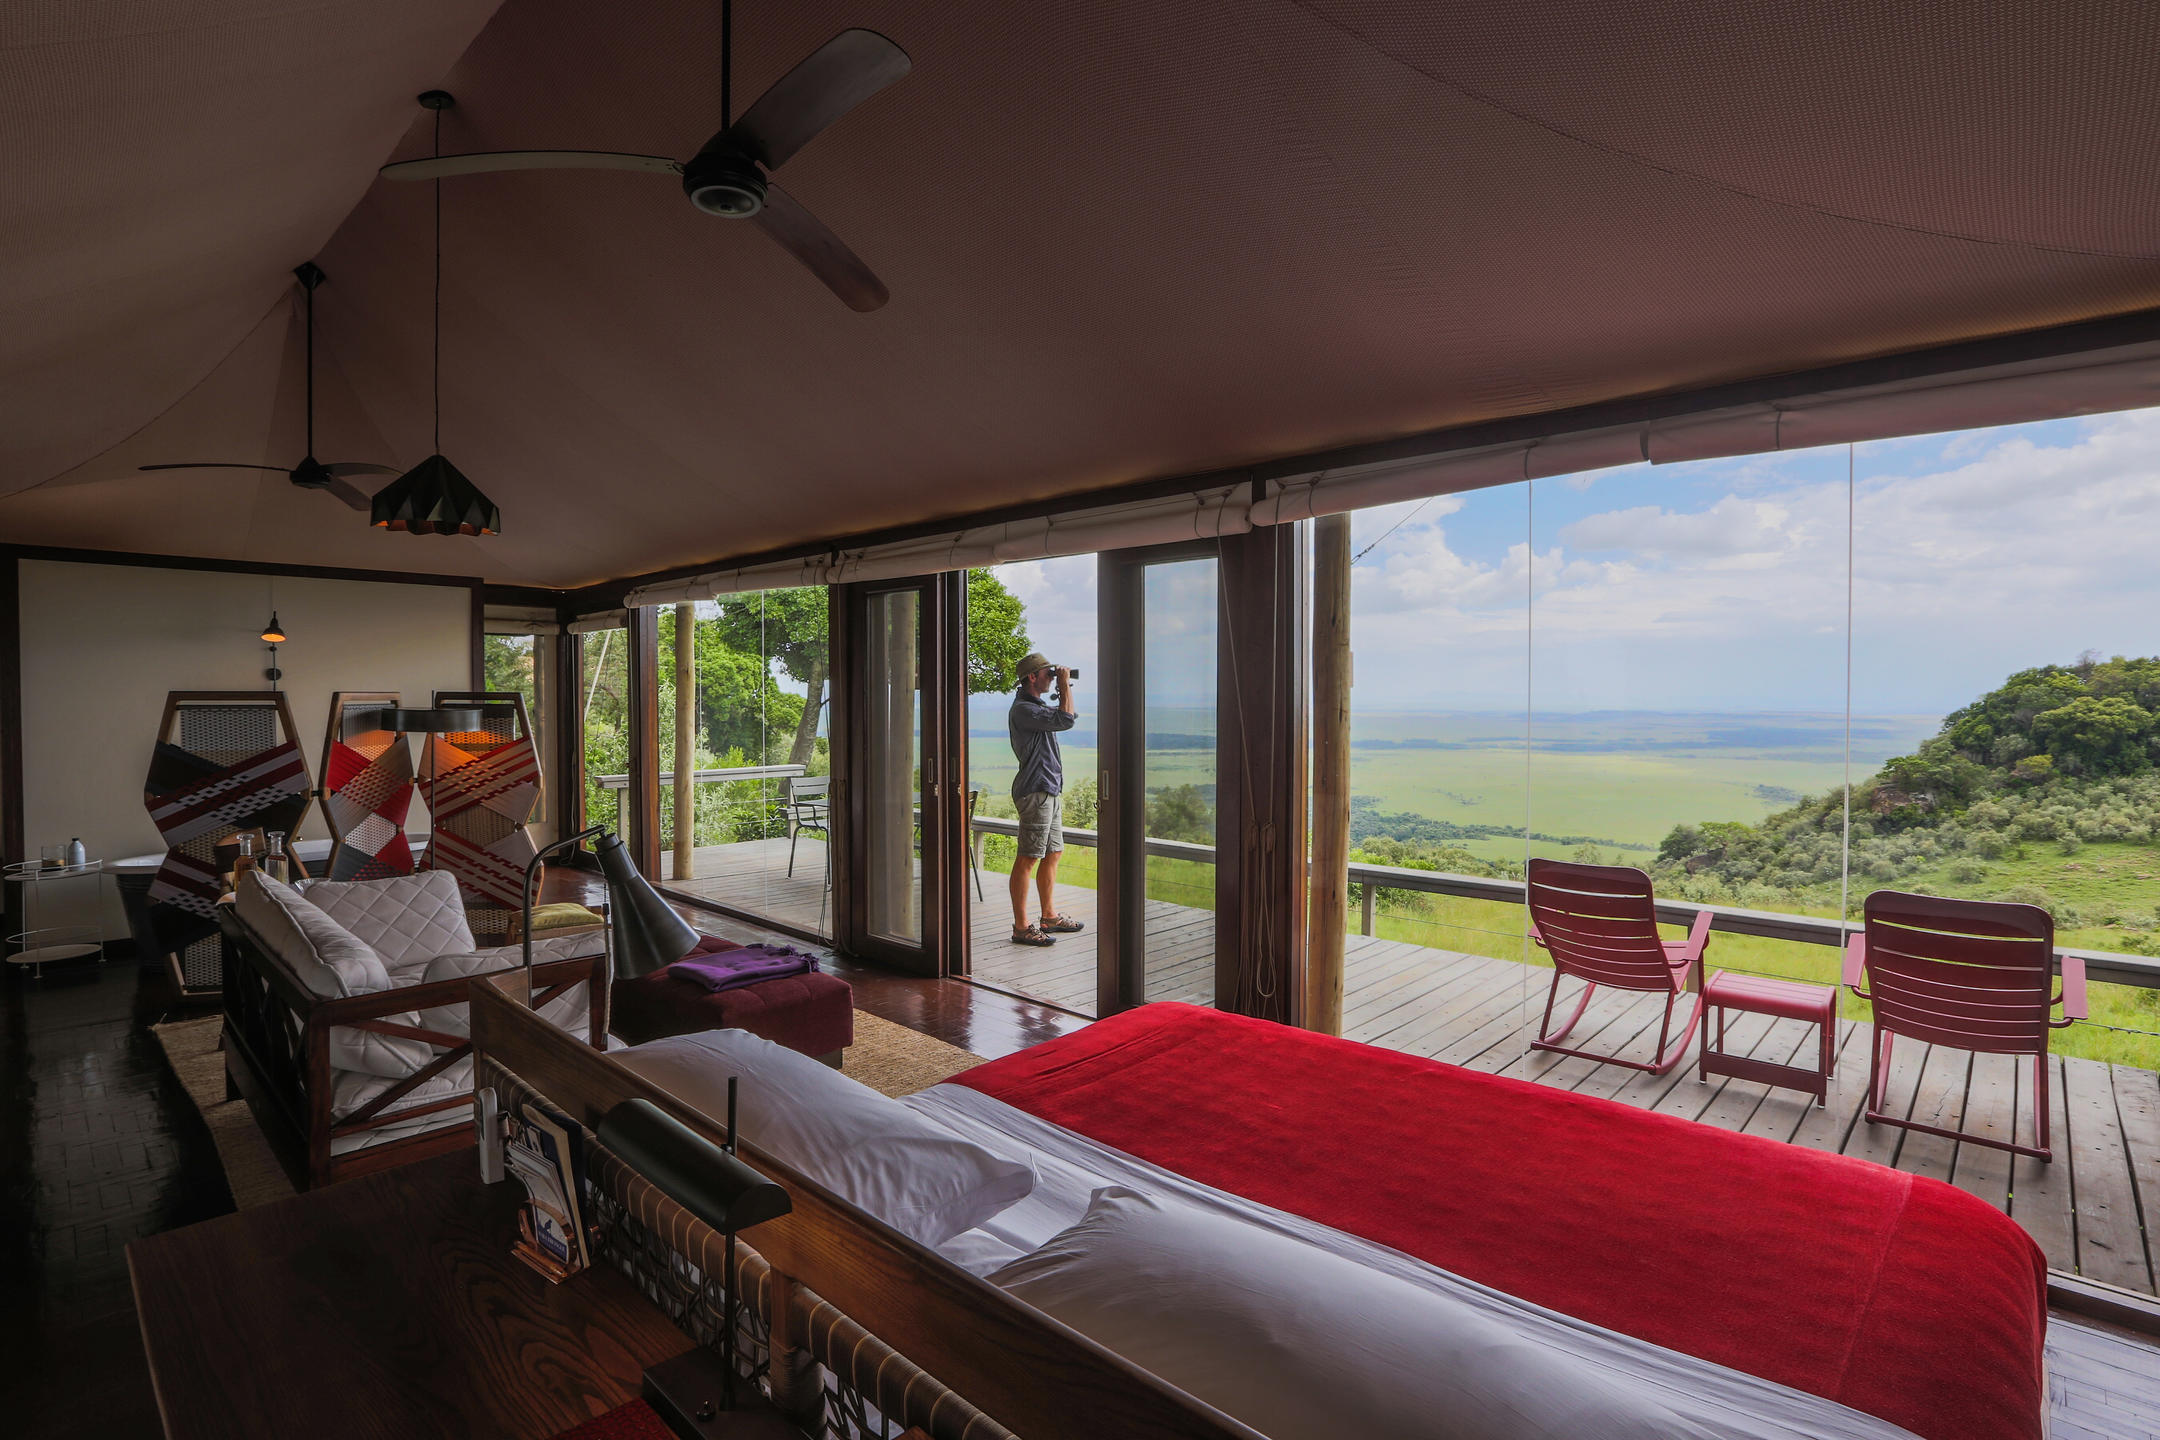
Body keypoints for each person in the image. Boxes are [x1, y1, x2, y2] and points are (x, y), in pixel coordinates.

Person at [1007, 651, 1083, 946]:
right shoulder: (1024, 709)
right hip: (1036, 789)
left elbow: (1067, 716)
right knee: (1028, 858)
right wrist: (1064, 685)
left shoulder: (1036, 707)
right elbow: (1066, 719)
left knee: (1053, 853)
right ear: (1032, 677)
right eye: (1048, 674)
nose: (1052, 679)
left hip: (1049, 788)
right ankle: (1021, 926)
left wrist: (1063, 686)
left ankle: (1049, 916)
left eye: (1054, 674)